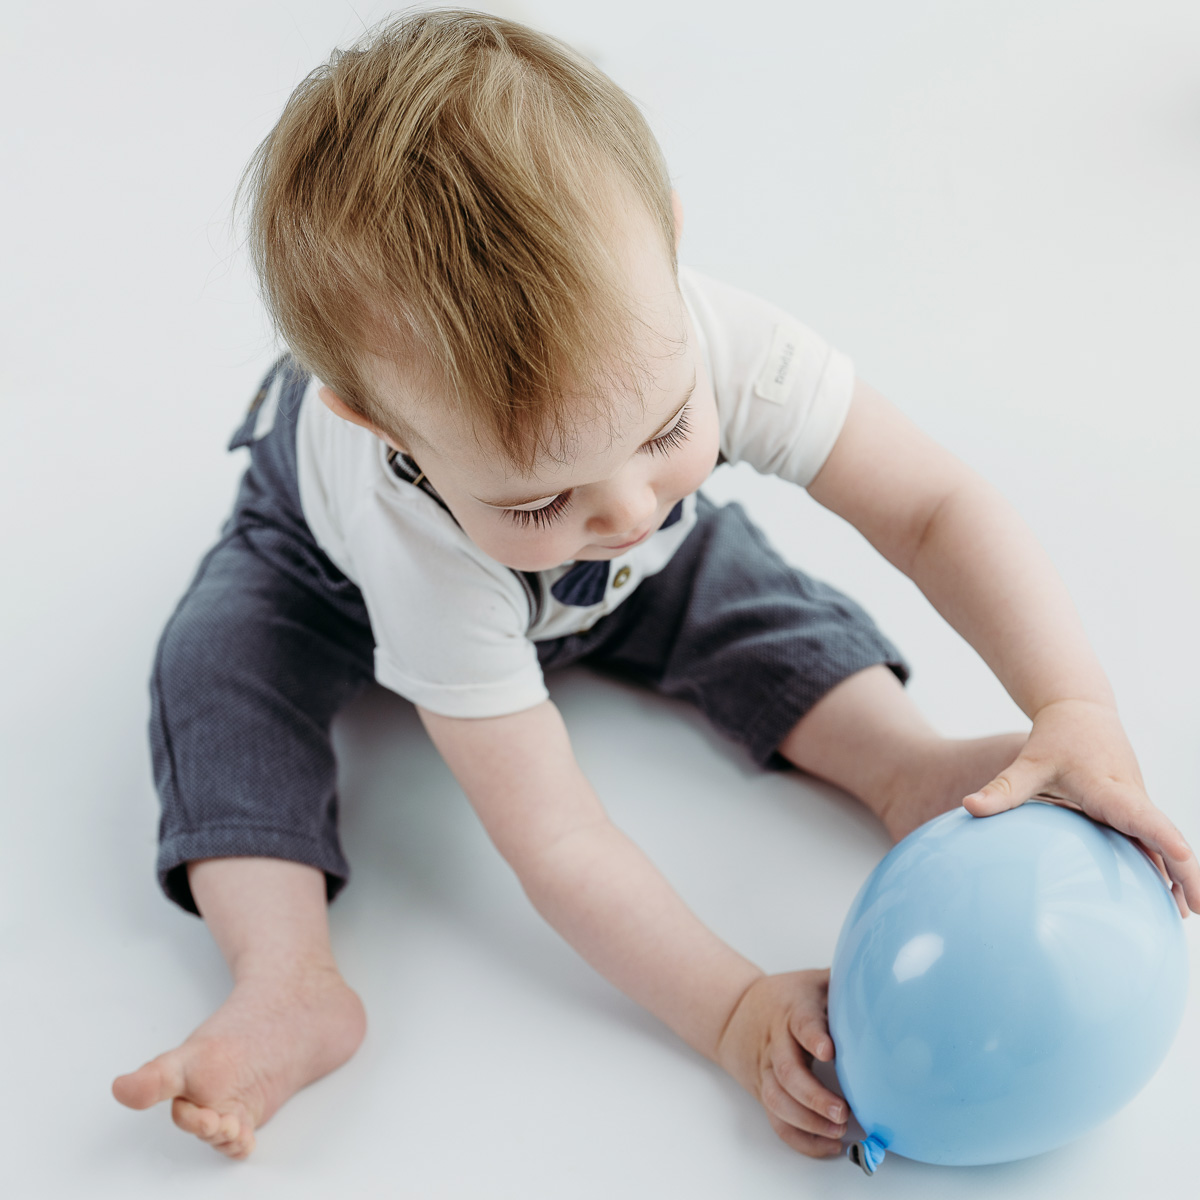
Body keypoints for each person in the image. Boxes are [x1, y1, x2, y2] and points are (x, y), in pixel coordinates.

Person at [111, 7, 1198, 1162]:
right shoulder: (415, 542)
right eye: (541, 498)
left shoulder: (712, 342)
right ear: (388, 429)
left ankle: (902, 764)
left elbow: (934, 509)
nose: (627, 506)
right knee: (218, 670)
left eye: (667, 429)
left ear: (670, 252)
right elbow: (561, 839)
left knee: (738, 587)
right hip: (319, 573)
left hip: (614, 577)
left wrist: (1072, 703)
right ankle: (287, 978)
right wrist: (730, 1012)